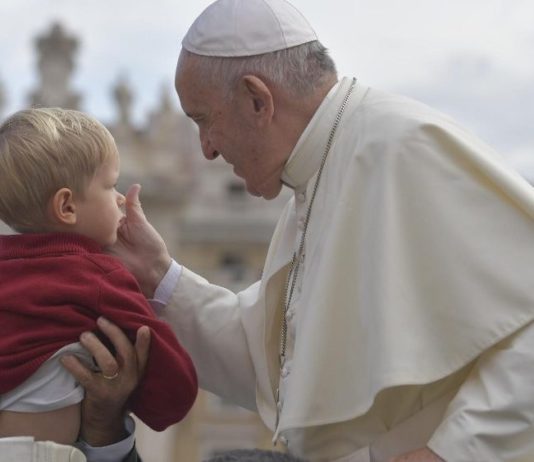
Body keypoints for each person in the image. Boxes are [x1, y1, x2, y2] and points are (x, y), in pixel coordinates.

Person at [72, 0, 534, 460]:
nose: (206, 149)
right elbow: (270, 366)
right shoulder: (309, 185)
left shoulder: (401, 146)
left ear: (258, 100)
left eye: (204, 120)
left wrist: (452, 452)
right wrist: (159, 273)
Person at [0, 108, 198, 460]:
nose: (122, 198)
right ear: (66, 206)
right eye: (110, 186)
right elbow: (173, 392)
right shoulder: (99, 277)